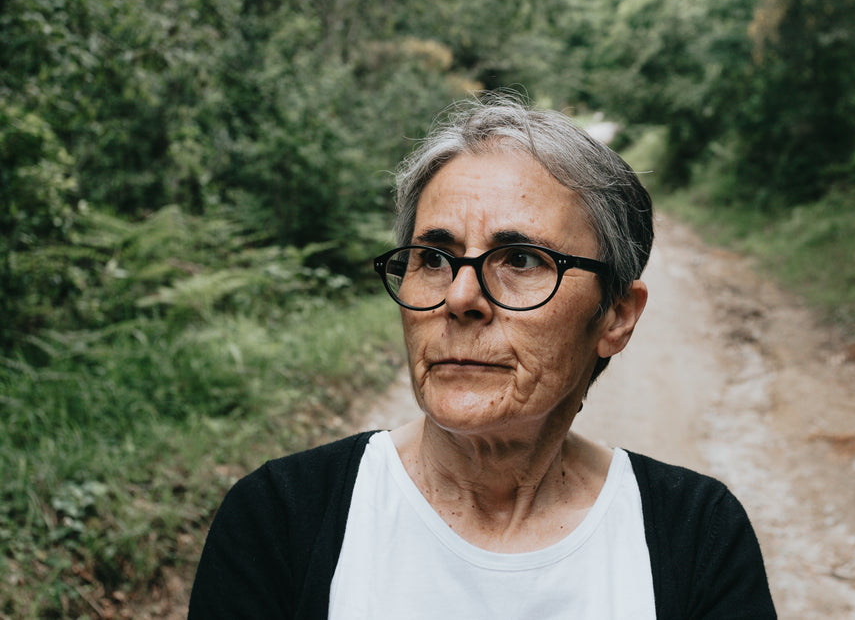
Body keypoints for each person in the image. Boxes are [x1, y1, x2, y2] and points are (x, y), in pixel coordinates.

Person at [188, 93, 776, 619]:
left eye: (521, 260)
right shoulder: (281, 520)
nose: (460, 297)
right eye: (434, 259)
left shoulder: (695, 536)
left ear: (617, 315)